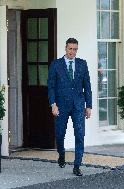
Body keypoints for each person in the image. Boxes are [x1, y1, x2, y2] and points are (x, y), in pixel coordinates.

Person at [48, 38, 92, 176]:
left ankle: (77, 165)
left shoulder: (82, 64)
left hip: (78, 105)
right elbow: (51, 86)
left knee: (79, 134)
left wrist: (89, 106)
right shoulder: (56, 65)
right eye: (70, 49)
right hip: (61, 105)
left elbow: (87, 86)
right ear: (65, 48)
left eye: (75, 49)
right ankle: (61, 154)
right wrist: (53, 104)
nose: (72, 52)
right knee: (60, 134)